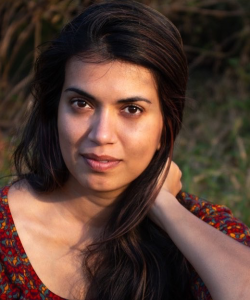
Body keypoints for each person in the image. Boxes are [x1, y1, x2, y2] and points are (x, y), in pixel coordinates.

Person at [0, 1, 250, 299]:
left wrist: (163, 205)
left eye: (131, 109)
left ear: (165, 126)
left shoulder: (201, 232)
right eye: (81, 104)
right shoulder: (5, 228)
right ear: (54, 110)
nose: (102, 135)